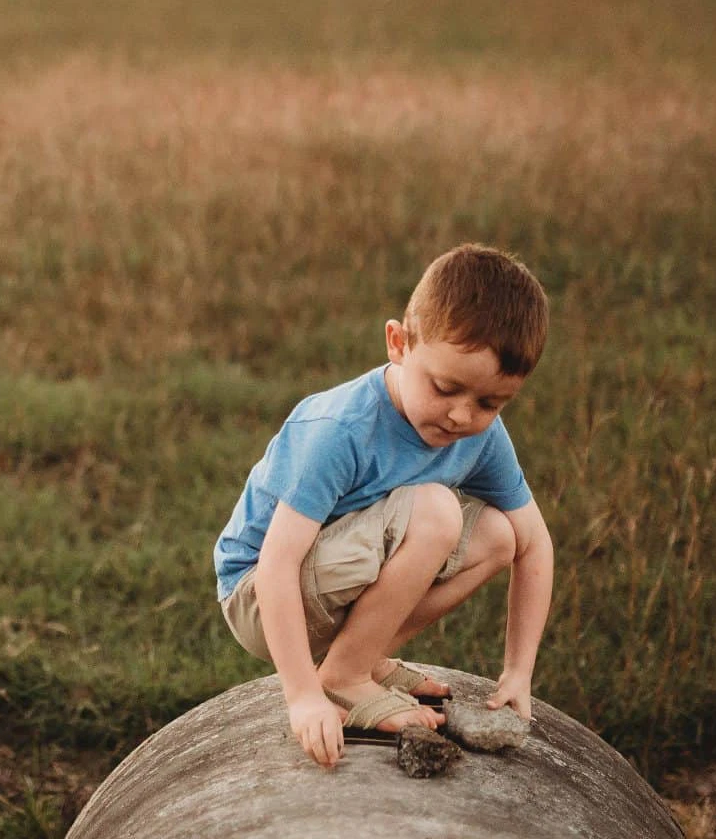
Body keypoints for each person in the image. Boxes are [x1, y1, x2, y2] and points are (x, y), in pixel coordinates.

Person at [214, 244, 554, 770]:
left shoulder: (480, 437)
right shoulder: (340, 430)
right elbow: (276, 565)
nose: (463, 415)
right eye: (445, 387)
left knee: (500, 537)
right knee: (438, 512)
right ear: (398, 343)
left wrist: (518, 671)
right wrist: (303, 696)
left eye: (490, 403)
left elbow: (534, 545)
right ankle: (344, 679)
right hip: (260, 596)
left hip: (329, 584)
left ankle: (362, 659)